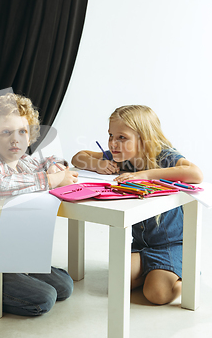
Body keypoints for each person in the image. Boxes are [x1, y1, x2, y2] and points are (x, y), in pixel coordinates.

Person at [0, 92, 79, 316]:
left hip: (16, 258)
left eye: (22, 131)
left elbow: (48, 160)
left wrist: (56, 166)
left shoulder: (25, 162)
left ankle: (21, 277)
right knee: (45, 298)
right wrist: (51, 180)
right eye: (6, 132)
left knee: (65, 286)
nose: (15, 139)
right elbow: (0, 186)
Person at [71, 105, 203, 305]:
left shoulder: (164, 157)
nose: (113, 143)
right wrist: (97, 165)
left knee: (156, 294)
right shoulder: (122, 158)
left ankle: (189, 273)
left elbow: (195, 174)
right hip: (142, 246)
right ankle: (154, 272)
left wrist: (145, 175)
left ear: (144, 138)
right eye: (110, 136)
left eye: (121, 137)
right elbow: (78, 157)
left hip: (173, 245)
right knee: (116, 281)